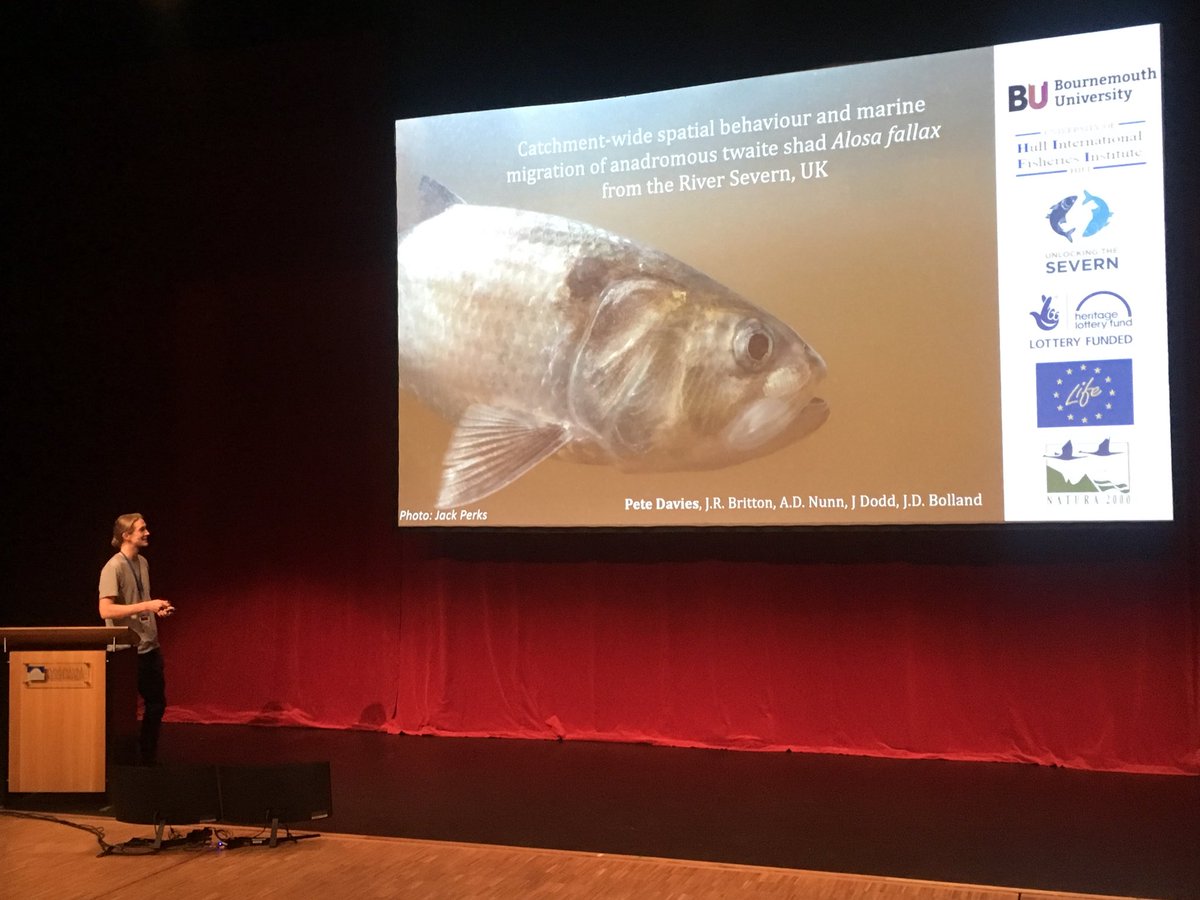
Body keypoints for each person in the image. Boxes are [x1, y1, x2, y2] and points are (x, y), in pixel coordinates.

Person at [98, 513, 174, 765]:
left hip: (149, 645)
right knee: (122, 711)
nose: (147, 533)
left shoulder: (142, 562)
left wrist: (155, 609)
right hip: (125, 651)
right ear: (126, 535)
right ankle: (119, 759)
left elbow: (140, 601)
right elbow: (105, 610)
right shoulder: (114, 567)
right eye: (141, 529)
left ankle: (147, 757)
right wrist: (146, 605)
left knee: (156, 704)